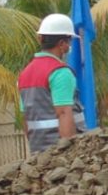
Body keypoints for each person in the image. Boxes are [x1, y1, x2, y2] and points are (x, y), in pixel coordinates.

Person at [17, 13, 87, 154]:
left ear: (40, 38)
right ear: (62, 44)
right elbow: (63, 113)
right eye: (69, 42)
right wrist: (71, 156)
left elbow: (25, 119)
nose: (69, 47)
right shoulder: (60, 72)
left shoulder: (24, 74)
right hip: (60, 153)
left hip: (38, 153)